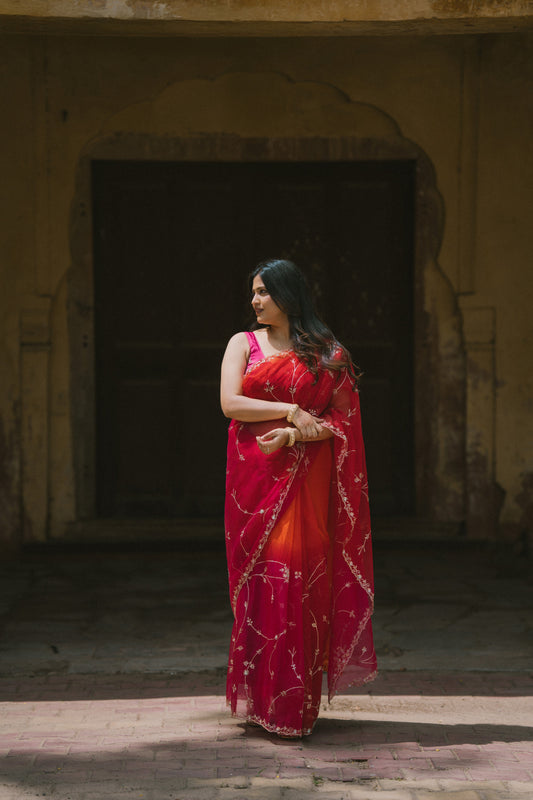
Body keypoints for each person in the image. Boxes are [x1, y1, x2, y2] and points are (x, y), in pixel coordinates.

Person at [220, 258, 376, 738]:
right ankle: (263, 701)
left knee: (300, 585)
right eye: (253, 292)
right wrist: (290, 410)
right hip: (253, 482)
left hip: (306, 483)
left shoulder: (328, 355)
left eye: (263, 292)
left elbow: (341, 425)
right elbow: (231, 404)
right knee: (263, 584)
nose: (254, 300)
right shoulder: (241, 344)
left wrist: (293, 437)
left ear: (288, 296)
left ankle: (295, 709)